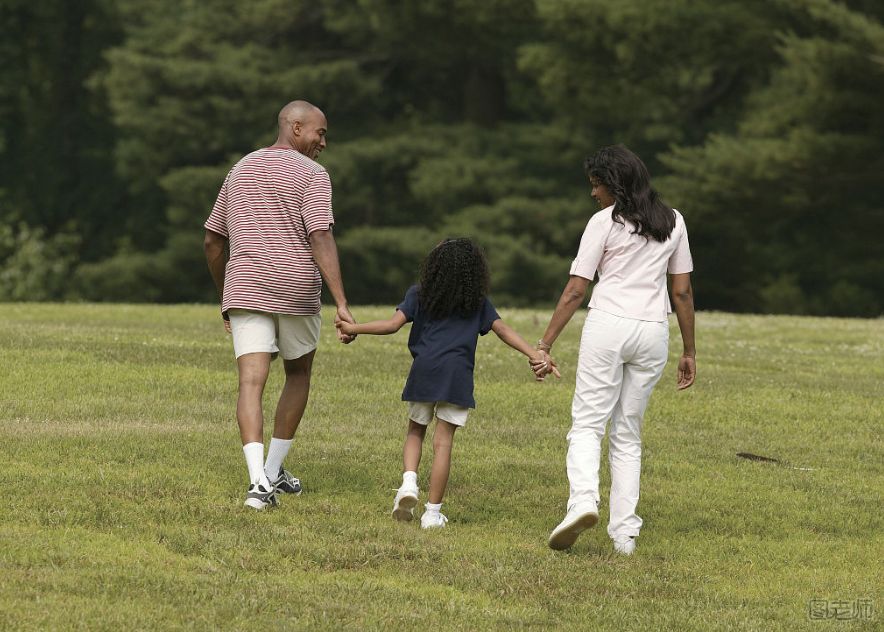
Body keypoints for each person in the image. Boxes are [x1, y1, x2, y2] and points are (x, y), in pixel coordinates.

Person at [535, 144, 696, 554]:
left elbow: (575, 290)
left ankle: (582, 503)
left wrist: (545, 342)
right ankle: (624, 535)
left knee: (588, 423)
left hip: (609, 324)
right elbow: (682, 291)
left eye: (596, 186)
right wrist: (689, 350)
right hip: (652, 332)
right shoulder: (674, 221)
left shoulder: (604, 222)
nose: (593, 194)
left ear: (615, 186)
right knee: (628, 433)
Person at [335, 238, 558, 528]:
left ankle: (409, 484)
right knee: (443, 443)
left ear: (434, 266)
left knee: (416, 430)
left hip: (424, 369)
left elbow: (391, 326)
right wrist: (534, 355)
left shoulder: (419, 294)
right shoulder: (477, 302)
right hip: (457, 375)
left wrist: (354, 328)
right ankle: (432, 513)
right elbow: (503, 331)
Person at [203, 100, 355, 510]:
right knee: (298, 372)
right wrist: (341, 301)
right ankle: (271, 472)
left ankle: (258, 482)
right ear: (295, 126)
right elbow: (320, 235)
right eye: (320, 133)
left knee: (251, 383)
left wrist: (225, 294)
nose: (324, 142)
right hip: (295, 289)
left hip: (245, 286)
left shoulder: (239, 169)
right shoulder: (313, 174)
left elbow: (213, 240)